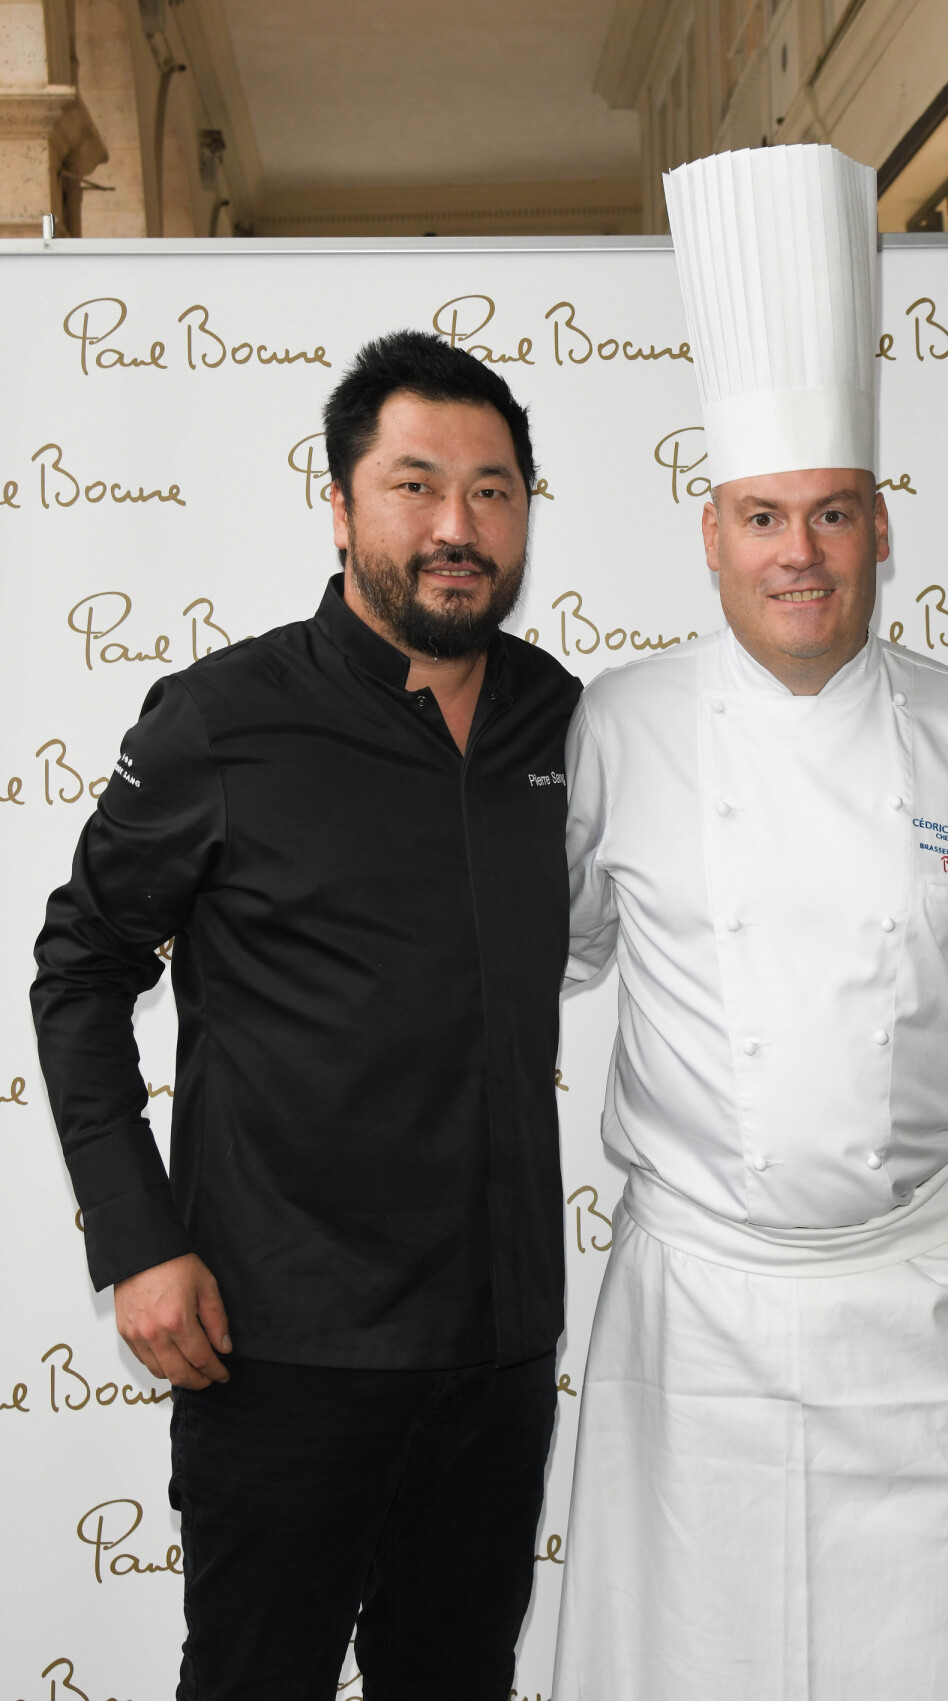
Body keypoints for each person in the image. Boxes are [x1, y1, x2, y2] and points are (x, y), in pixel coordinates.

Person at [552, 145, 948, 1701]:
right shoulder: (618, 726)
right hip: (690, 1316)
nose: (797, 552)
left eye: (833, 514)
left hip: (918, 1312)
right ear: (711, 530)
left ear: (882, 528)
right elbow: (561, 946)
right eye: (761, 516)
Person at [30, 330, 581, 1701]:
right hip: (278, 1352)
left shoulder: (566, 723)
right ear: (339, 507)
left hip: (500, 1352)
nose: (457, 526)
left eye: (494, 490)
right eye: (415, 485)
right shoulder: (220, 721)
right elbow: (81, 966)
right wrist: (138, 1238)